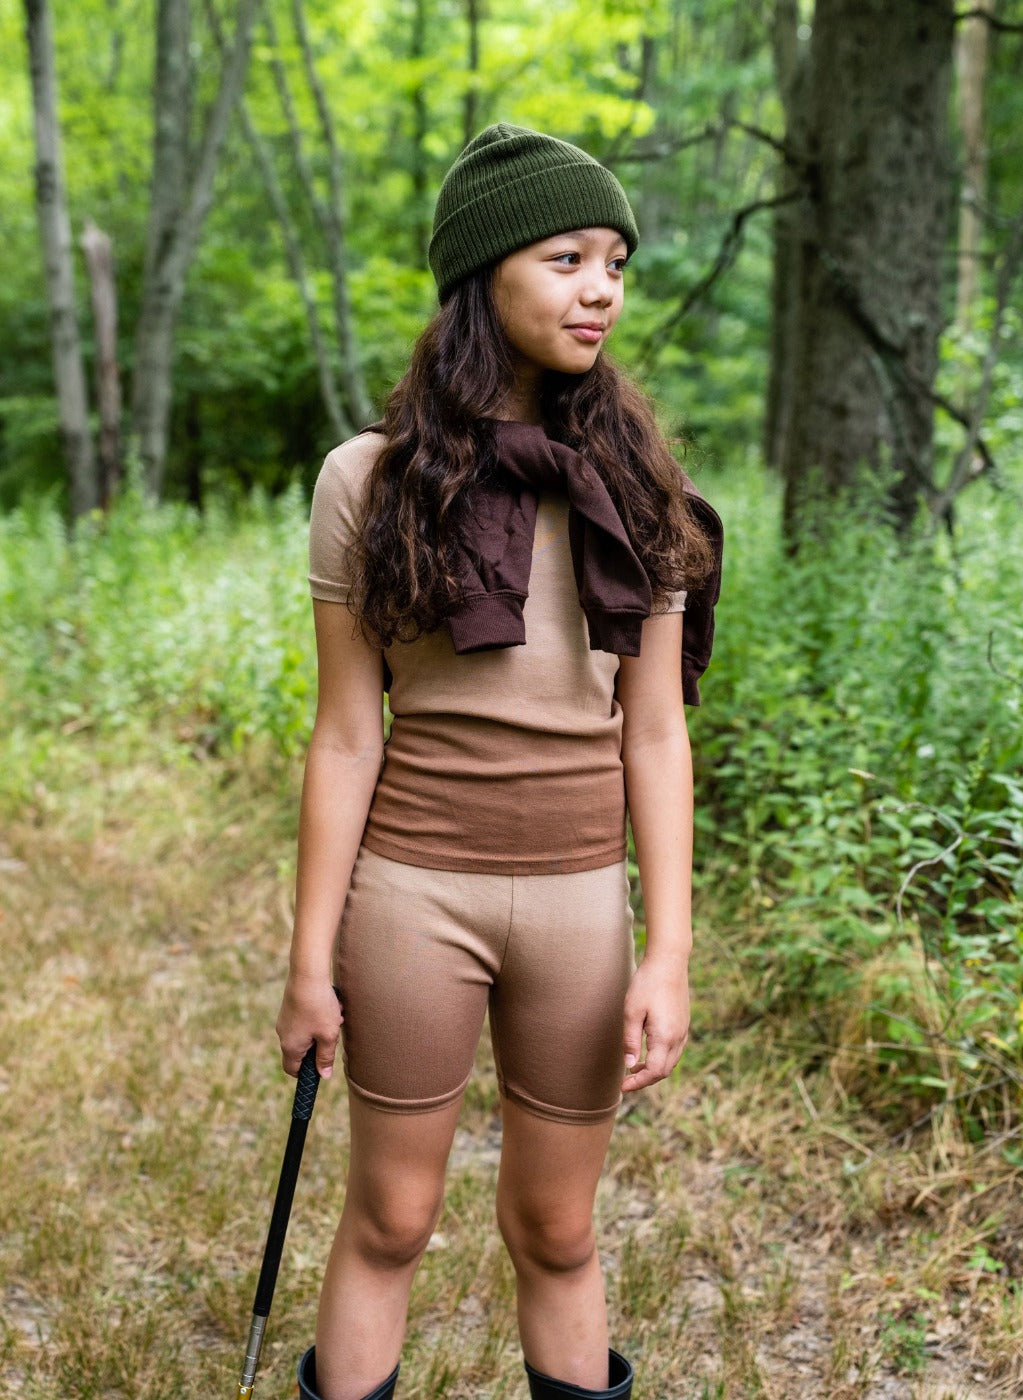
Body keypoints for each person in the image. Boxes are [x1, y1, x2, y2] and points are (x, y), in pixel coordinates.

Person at [275, 123, 723, 1400]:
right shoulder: (369, 479)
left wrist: (669, 950)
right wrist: (309, 956)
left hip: (579, 900)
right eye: (566, 257)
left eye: (616, 263)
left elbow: (655, 731)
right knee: (392, 1217)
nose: (601, 289)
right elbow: (347, 731)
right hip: (413, 893)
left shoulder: (637, 483)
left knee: (559, 1226)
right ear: (483, 274)